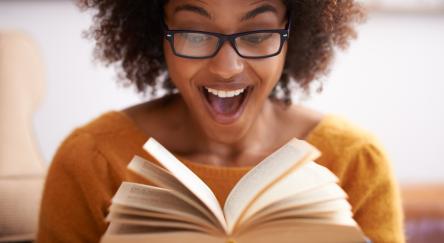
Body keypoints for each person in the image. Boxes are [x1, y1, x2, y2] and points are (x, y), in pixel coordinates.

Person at [36, 0, 405, 242]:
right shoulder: (92, 160)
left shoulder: (356, 160)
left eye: (258, 34)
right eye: (195, 33)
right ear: (157, 33)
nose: (227, 68)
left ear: (293, 33)